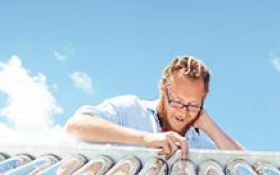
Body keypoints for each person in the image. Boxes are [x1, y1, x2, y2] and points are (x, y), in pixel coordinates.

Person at [64, 55, 243, 158]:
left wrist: (210, 126)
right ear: (162, 90)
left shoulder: (198, 145)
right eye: (177, 101)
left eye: (193, 104)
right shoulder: (130, 109)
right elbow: (76, 126)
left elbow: (246, 169)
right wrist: (146, 139)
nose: (183, 111)